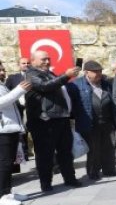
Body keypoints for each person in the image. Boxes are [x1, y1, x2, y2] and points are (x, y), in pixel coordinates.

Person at [25, 51, 82, 192]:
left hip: (61, 118)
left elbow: (55, 86)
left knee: (65, 152)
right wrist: (66, 75)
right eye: (43, 59)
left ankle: (70, 179)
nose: (47, 61)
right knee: (45, 154)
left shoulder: (49, 73)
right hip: (45, 121)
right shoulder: (32, 74)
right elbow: (45, 87)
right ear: (33, 61)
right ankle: (46, 184)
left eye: (48, 59)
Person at [68, 61, 116, 180]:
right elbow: (71, 104)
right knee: (93, 148)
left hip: (106, 121)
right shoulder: (76, 85)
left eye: (100, 71)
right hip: (89, 122)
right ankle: (93, 171)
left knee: (109, 146)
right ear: (86, 72)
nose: (98, 74)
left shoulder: (106, 84)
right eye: (95, 72)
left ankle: (109, 169)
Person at [0, 77, 31, 205]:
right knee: (4, 164)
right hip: (2, 130)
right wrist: (19, 90)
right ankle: (1, 196)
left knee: (9, 163)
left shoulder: (1, 84)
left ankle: (7, 192)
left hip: (9, 128)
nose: (2, 72)